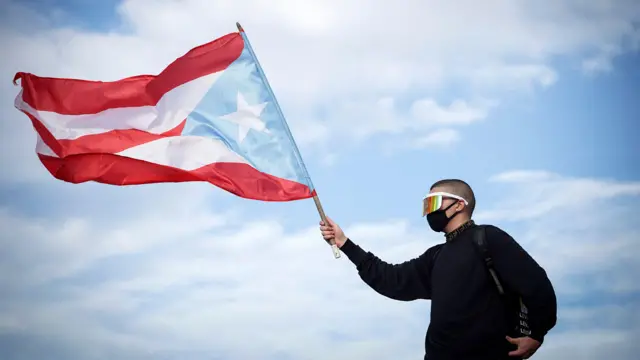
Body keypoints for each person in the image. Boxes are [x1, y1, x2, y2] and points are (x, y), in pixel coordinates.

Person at [319, 179, 557, 360]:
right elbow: (392, 279)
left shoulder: (489, 238)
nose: (429, 211)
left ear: (459, 205)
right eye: (426, 205)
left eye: (433, 202)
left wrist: (536, 335)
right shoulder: (435, 256)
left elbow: (537, 286)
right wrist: (345, 243)